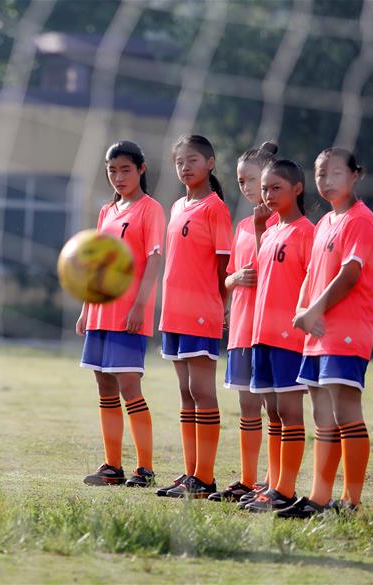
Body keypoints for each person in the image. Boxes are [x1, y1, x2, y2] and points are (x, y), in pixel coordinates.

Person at [277, 148, 373, 519]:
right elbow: (310, 275)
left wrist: (314, 310)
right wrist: (300, 313)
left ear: (356, 175)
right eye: (321, 174)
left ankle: (351, 502)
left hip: (346, 333)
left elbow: (350, 275)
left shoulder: (361, 220)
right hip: (317, 335)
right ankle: (320, 499)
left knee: (346, 413)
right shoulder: (323, 225)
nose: (327, 181)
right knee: (323, 418)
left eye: (336, 173)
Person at [78, 140, 166, 488]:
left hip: (129, 313)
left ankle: (144, 468)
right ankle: (112, 466)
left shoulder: (150, 209)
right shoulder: (107, 211)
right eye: (112, 170)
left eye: (125, 169)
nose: (118, 176)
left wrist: (140, 306)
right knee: (104, 386)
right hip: (100, 311)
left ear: (141, 170)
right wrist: (86, 308)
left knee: (130, 387)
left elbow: (155, 259)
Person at [156, 135, 233, 499]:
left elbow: (223, 266)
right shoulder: (176, 206)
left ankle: (205, 478)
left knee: (203, 392)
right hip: (174, 313)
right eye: (179, 162)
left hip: (201, 312)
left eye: (193, 161)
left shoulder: (215, 207)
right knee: (186, 394)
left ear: (211, 163)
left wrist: (222, 307)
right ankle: (190, 474)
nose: (185, 168)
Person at [210, 141, 280, 503]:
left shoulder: (286, 225)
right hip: (240, 328)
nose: (249, 188)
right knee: (248, 409)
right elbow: (229, 276)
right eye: (241, 182)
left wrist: (258, 228)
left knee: (275, 409)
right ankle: (248, 479)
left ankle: (273, 481)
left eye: (253, 180)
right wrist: (234, 281)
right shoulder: (240, 226)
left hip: (269, 331)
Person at [243, 159, 314, 513]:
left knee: (289, 412)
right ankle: (271, 485)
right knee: (272, 411)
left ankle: (285, 490)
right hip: (262, 334)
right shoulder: (270, 230)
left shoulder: (307, 231)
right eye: (266, 188)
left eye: (276, 188)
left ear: (297, 188)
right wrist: (259, 228)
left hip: (290, 337)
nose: (268, 195)